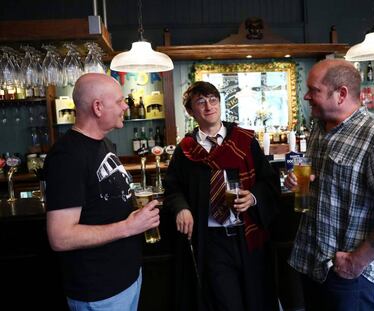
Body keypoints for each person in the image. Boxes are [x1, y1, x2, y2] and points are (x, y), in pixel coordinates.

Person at [284, 59, 374, 311]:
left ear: (341, 94)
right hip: (311, 262)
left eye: (314, 90)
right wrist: (300, 183)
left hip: (348, 274)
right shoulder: (320, 127)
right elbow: (323, 183)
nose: (307, 96)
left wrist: (357, 261)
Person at [44, 73, 160, 311]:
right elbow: (60, 237)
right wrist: (128, 227)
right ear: (98, 107)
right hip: (99, 291)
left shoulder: (104, 142)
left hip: (125, 278)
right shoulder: (67, 157)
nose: (125, 106)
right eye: (119, 101)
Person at [164, 81, 280, 311]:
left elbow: (269, 181)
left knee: (256, 299)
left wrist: (253, 198)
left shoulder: (245, 141)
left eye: (213, 99)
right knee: (227, 304)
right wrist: (182, 207)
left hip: (247, 235)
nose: (209, 106)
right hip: (212, 240)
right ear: (190, 111)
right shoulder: (186, 149)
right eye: (201, 101)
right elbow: (172, 188)